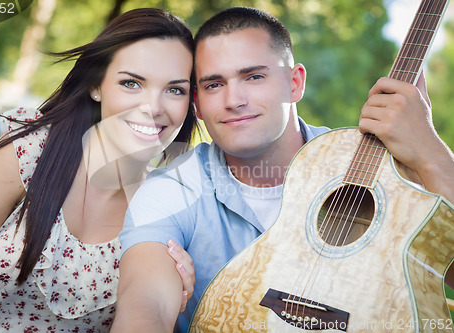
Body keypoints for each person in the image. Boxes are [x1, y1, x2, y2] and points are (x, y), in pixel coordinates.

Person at [112, 6, 454, 333]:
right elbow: (145, 303)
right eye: (214, 84)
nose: (234, 99)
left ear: (295, 83)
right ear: (197, 105)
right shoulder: (172, 189)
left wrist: (431, 155)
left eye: (254, 76)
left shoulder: (382, 172)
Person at [0, 8, 198, 332]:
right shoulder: (31, 152)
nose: (153, 107)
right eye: (131, 83)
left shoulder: (166, 210)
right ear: (97, 86)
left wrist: (170, 305)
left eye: (175, 89)